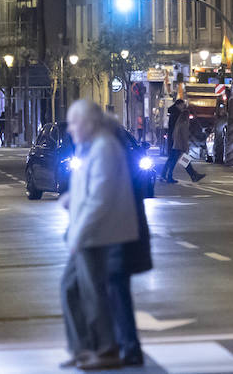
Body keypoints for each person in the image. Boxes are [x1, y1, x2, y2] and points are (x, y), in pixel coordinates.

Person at [59, 100, 139, 371]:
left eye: (74, 123)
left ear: (89, 123)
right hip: (87, 231)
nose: (70, 129)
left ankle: (105, 349)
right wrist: (71, 197)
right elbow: (89, 188)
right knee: (71, 288)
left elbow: (100, 199)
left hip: (97, 234)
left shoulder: (104, 147)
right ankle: (83, 348)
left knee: (92, 293)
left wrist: (77, 235)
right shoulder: (91, 145)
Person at [106, 125, 151, 367]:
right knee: (114, 293)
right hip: (121, 240)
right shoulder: (124, 166)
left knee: (115, 292)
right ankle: (122, 345)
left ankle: (126, 347)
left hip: (116, 242)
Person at [165, 103, 205, 183]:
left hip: (177, 145)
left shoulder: (178, 124)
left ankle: (193, 175)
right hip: (180, 146)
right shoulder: (184, 125)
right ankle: (193, 175)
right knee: (178, 161)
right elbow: (184, 136)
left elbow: (174, 135)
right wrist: (185, 147)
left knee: (179, 161)